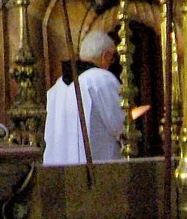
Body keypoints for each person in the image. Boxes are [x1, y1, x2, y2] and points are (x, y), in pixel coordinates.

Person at [41, 30, 127, 166]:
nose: (111, 63)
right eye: (112, 58)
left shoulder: (57, 87)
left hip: (59, 172)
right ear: (105, 56)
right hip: (96, 171)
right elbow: (121, 125)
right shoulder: (101, 79)